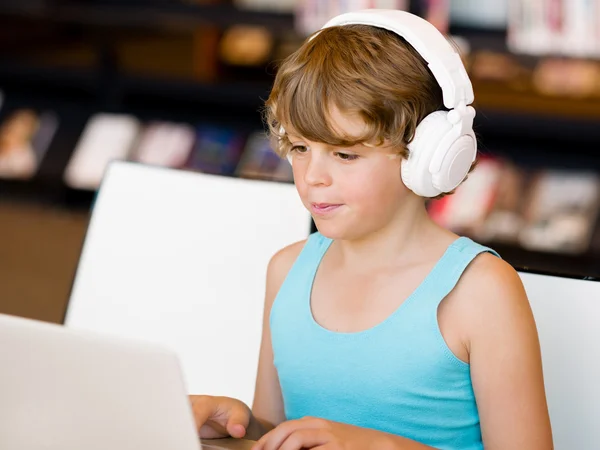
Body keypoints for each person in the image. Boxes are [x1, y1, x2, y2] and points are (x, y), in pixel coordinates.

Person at [191, 9, 553, 450]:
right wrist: (242, 428)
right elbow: (284, 432)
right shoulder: (286, 271)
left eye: (345, 155)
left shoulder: (480, 290)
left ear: (427, 156)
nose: (312, 176)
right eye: (301, 147)